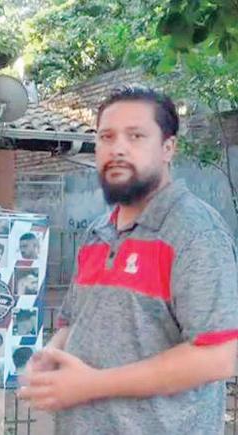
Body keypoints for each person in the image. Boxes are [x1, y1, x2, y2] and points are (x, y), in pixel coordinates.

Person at [18, 86, 238, 434]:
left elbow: (219, 357)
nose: (117, 148)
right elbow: (73, 322)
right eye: (107, 137)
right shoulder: (97, 233)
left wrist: (91, 385)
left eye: (135, 136)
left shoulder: (195, 234)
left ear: (168, 148)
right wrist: (49, 356)